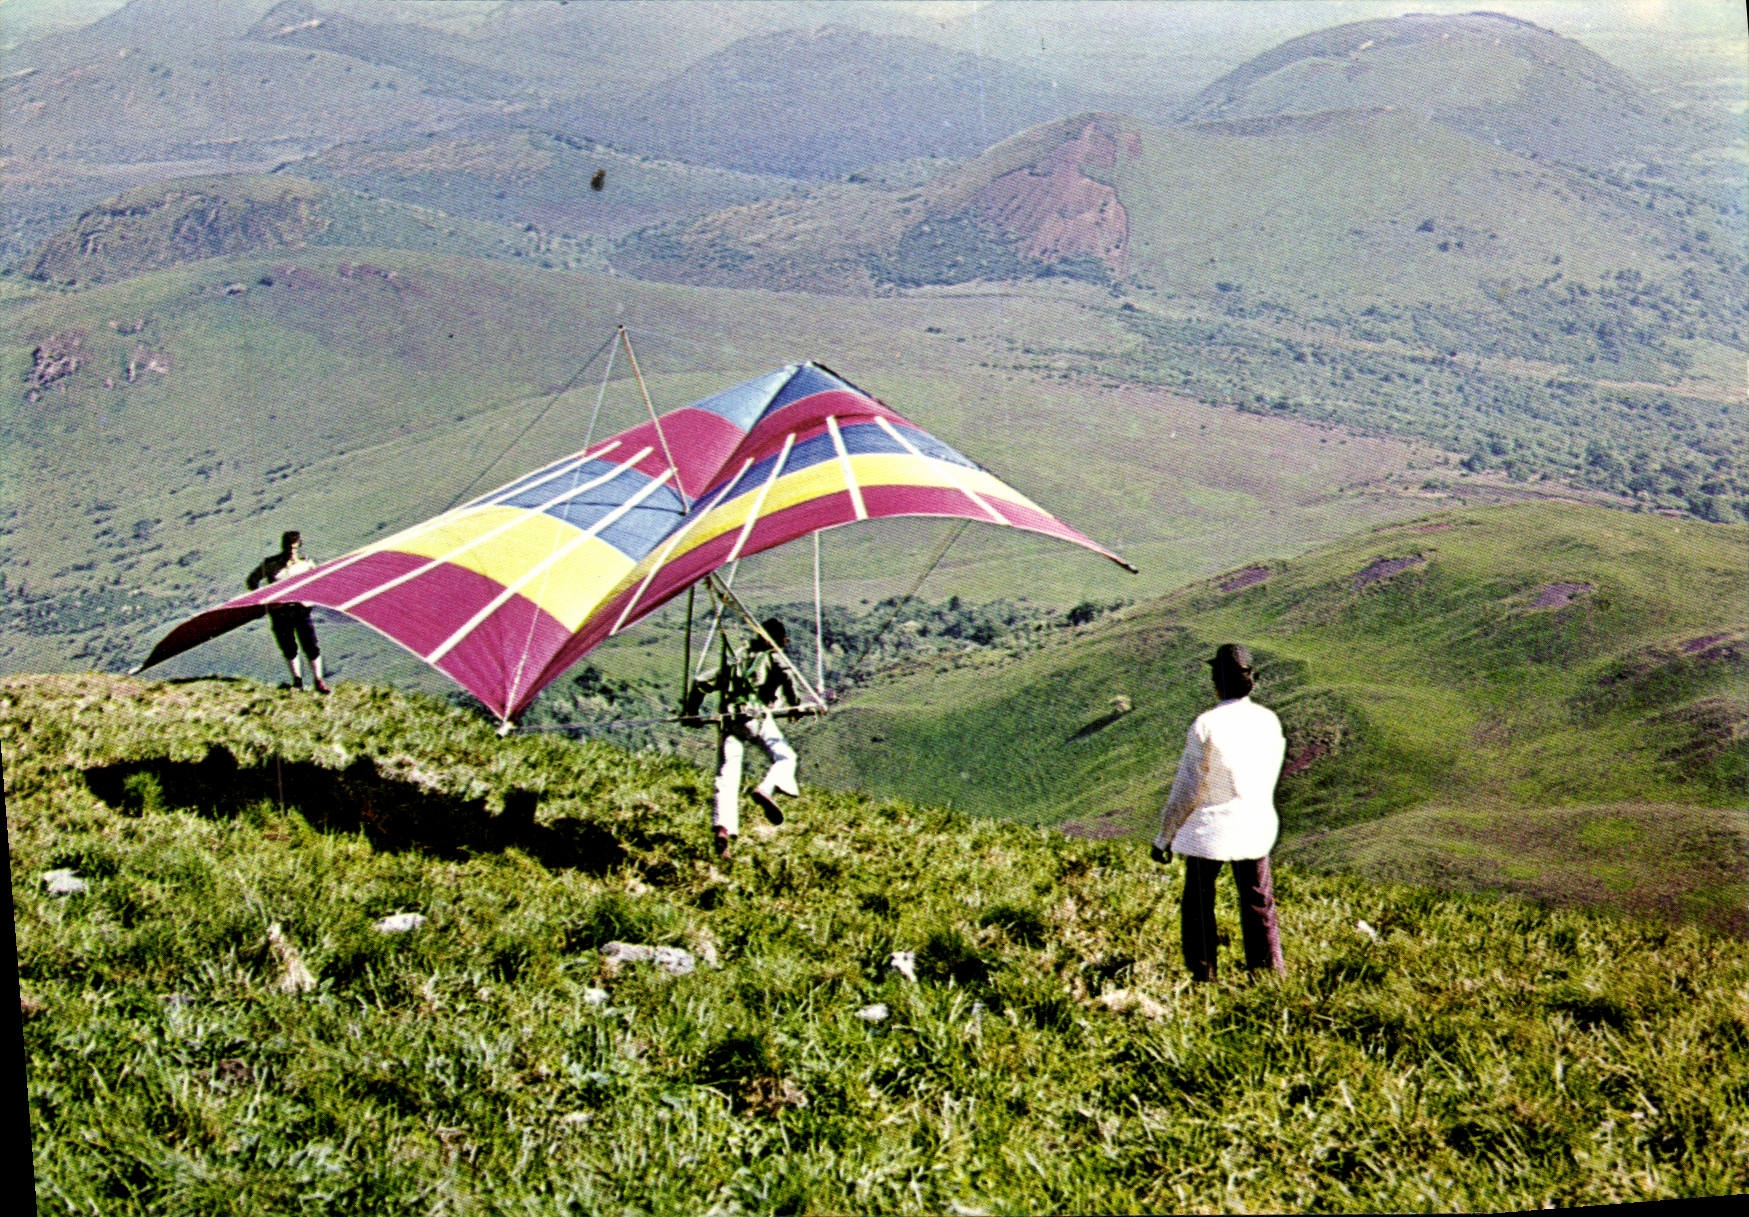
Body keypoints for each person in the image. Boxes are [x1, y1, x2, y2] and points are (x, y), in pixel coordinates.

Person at [1150, 643, 1286, 981]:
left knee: (1198, 904)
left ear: (1216, 681)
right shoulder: (1268, 721)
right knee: (1258, 905)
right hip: (1254, 825)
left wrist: (1164, 838)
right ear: (1252, 680)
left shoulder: (1206, 725)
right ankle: (1268, 977)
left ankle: (1203, 976)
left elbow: (1186, 790)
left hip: (1208, 831)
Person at [685, 618, 799, 858]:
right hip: (754, 718)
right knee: (785, 756)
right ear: (778, 640)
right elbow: (788, 678)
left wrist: (692, 711)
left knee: (726, 776)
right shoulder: (772, 656)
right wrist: (795, 705)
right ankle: (766, 789)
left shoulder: (735, 658)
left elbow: (701, 683)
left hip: (730, 722)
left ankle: (722, 829)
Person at [246, 530, 329, 693]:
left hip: (301, 610)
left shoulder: (306, 564)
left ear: (298, 547)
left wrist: (309, 600)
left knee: (310, 645)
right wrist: (266, 601)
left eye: (294, 548)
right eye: (288, 548)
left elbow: (319, 582)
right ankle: (297, 682)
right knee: (289, 647)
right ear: (283, 547)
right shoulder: (271, 565)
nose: (291, 552)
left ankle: (319, 681)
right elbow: (252, 581)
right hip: (280, 612)